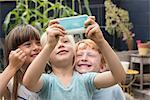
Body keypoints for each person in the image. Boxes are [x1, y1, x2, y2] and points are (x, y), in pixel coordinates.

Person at [23, 16, 126, 100]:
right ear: (46, 57)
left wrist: (101, 41)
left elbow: (118, 76)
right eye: (54, 43)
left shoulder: (86, 80)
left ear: (74, 52)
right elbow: (28, 82)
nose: (60, 45)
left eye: (65, 41)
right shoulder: (47, 82)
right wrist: (49, 46)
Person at [0, 25, 42, 100]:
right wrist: (12, 67)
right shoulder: (9, 82)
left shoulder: (48, 75)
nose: (36, 48)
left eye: (38, 43)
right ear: (13, 52)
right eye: (28, 45)